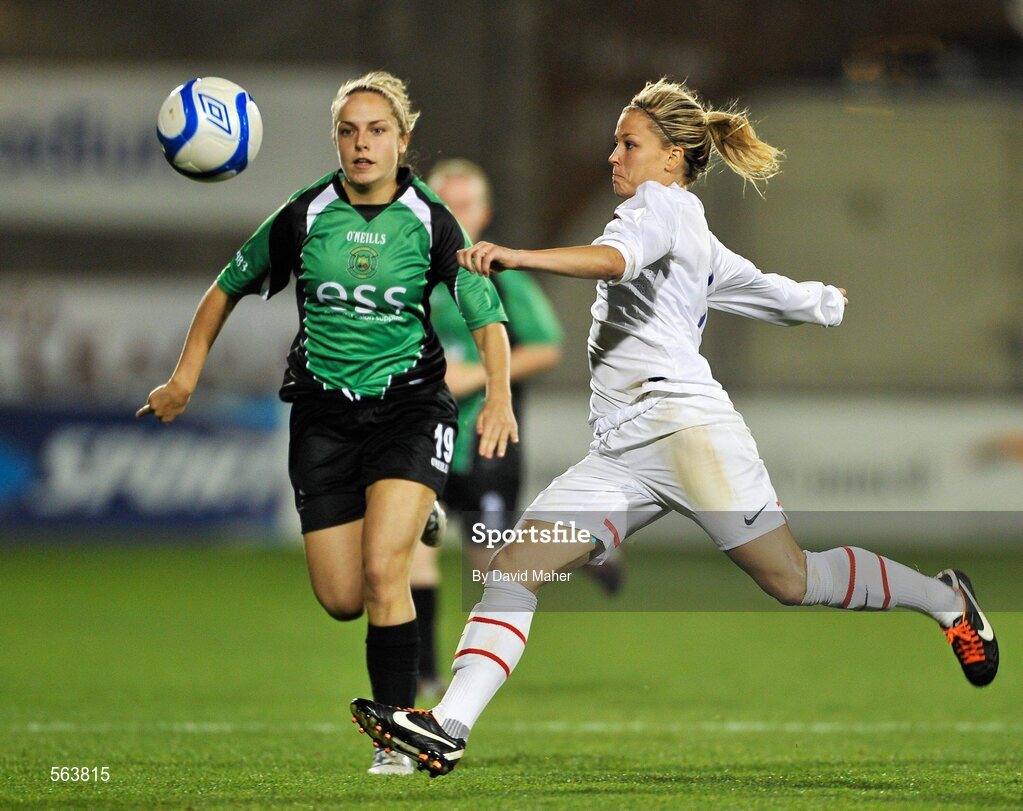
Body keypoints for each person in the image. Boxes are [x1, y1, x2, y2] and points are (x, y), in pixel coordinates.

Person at [350, 77, 999, 777]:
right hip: (623, 451)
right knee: (514, 571)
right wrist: (820, 301)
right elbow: (759, 287)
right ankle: (448, 725)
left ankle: (944, 598)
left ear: (670, 157)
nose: (612, 156)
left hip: (690, 438)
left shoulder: (656, 210)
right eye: (615, 142)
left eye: (627, 143)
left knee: (789, 578)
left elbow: (615, 259)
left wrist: (519, 256)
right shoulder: (687, 227)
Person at [136, 71, 517, 776]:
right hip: (322, 415)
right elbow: (226, 286)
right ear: (336, 140)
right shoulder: (303, 213)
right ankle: (414, 513)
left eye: (376, 131)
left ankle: (397, 740)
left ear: (403, 141)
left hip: (407, 406)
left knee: (383, 570)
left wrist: (498, 394)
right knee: (343, 597)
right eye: (348, 131)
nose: (361, 143)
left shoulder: (432, 220)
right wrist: (184, 376)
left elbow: (484, 312)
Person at [408, 159, 565, 701]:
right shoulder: (408, 268)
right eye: (444, 200)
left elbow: (546, 345)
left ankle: (580, 550)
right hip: (423, 439)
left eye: (465, 202)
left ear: (484, 212)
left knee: (491, 569)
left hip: (486, 443)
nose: (454, 211)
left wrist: (480, 375)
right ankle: (425, 672)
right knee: (413, 550)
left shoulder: (495, 271)